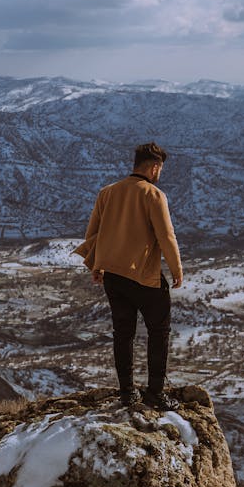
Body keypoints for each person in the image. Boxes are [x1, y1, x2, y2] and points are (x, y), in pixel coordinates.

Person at [74, 142, 183, 410]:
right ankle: (155, 393)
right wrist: (177, 269)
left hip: (113, 275)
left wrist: (96, 267)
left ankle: (127, 392)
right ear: (155, 167)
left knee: (123, 333)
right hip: (144, 276)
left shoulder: (107, 192)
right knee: (159, 331)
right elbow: (166, 236)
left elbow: (93, 234)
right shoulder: (154, 195)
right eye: (160, 169)